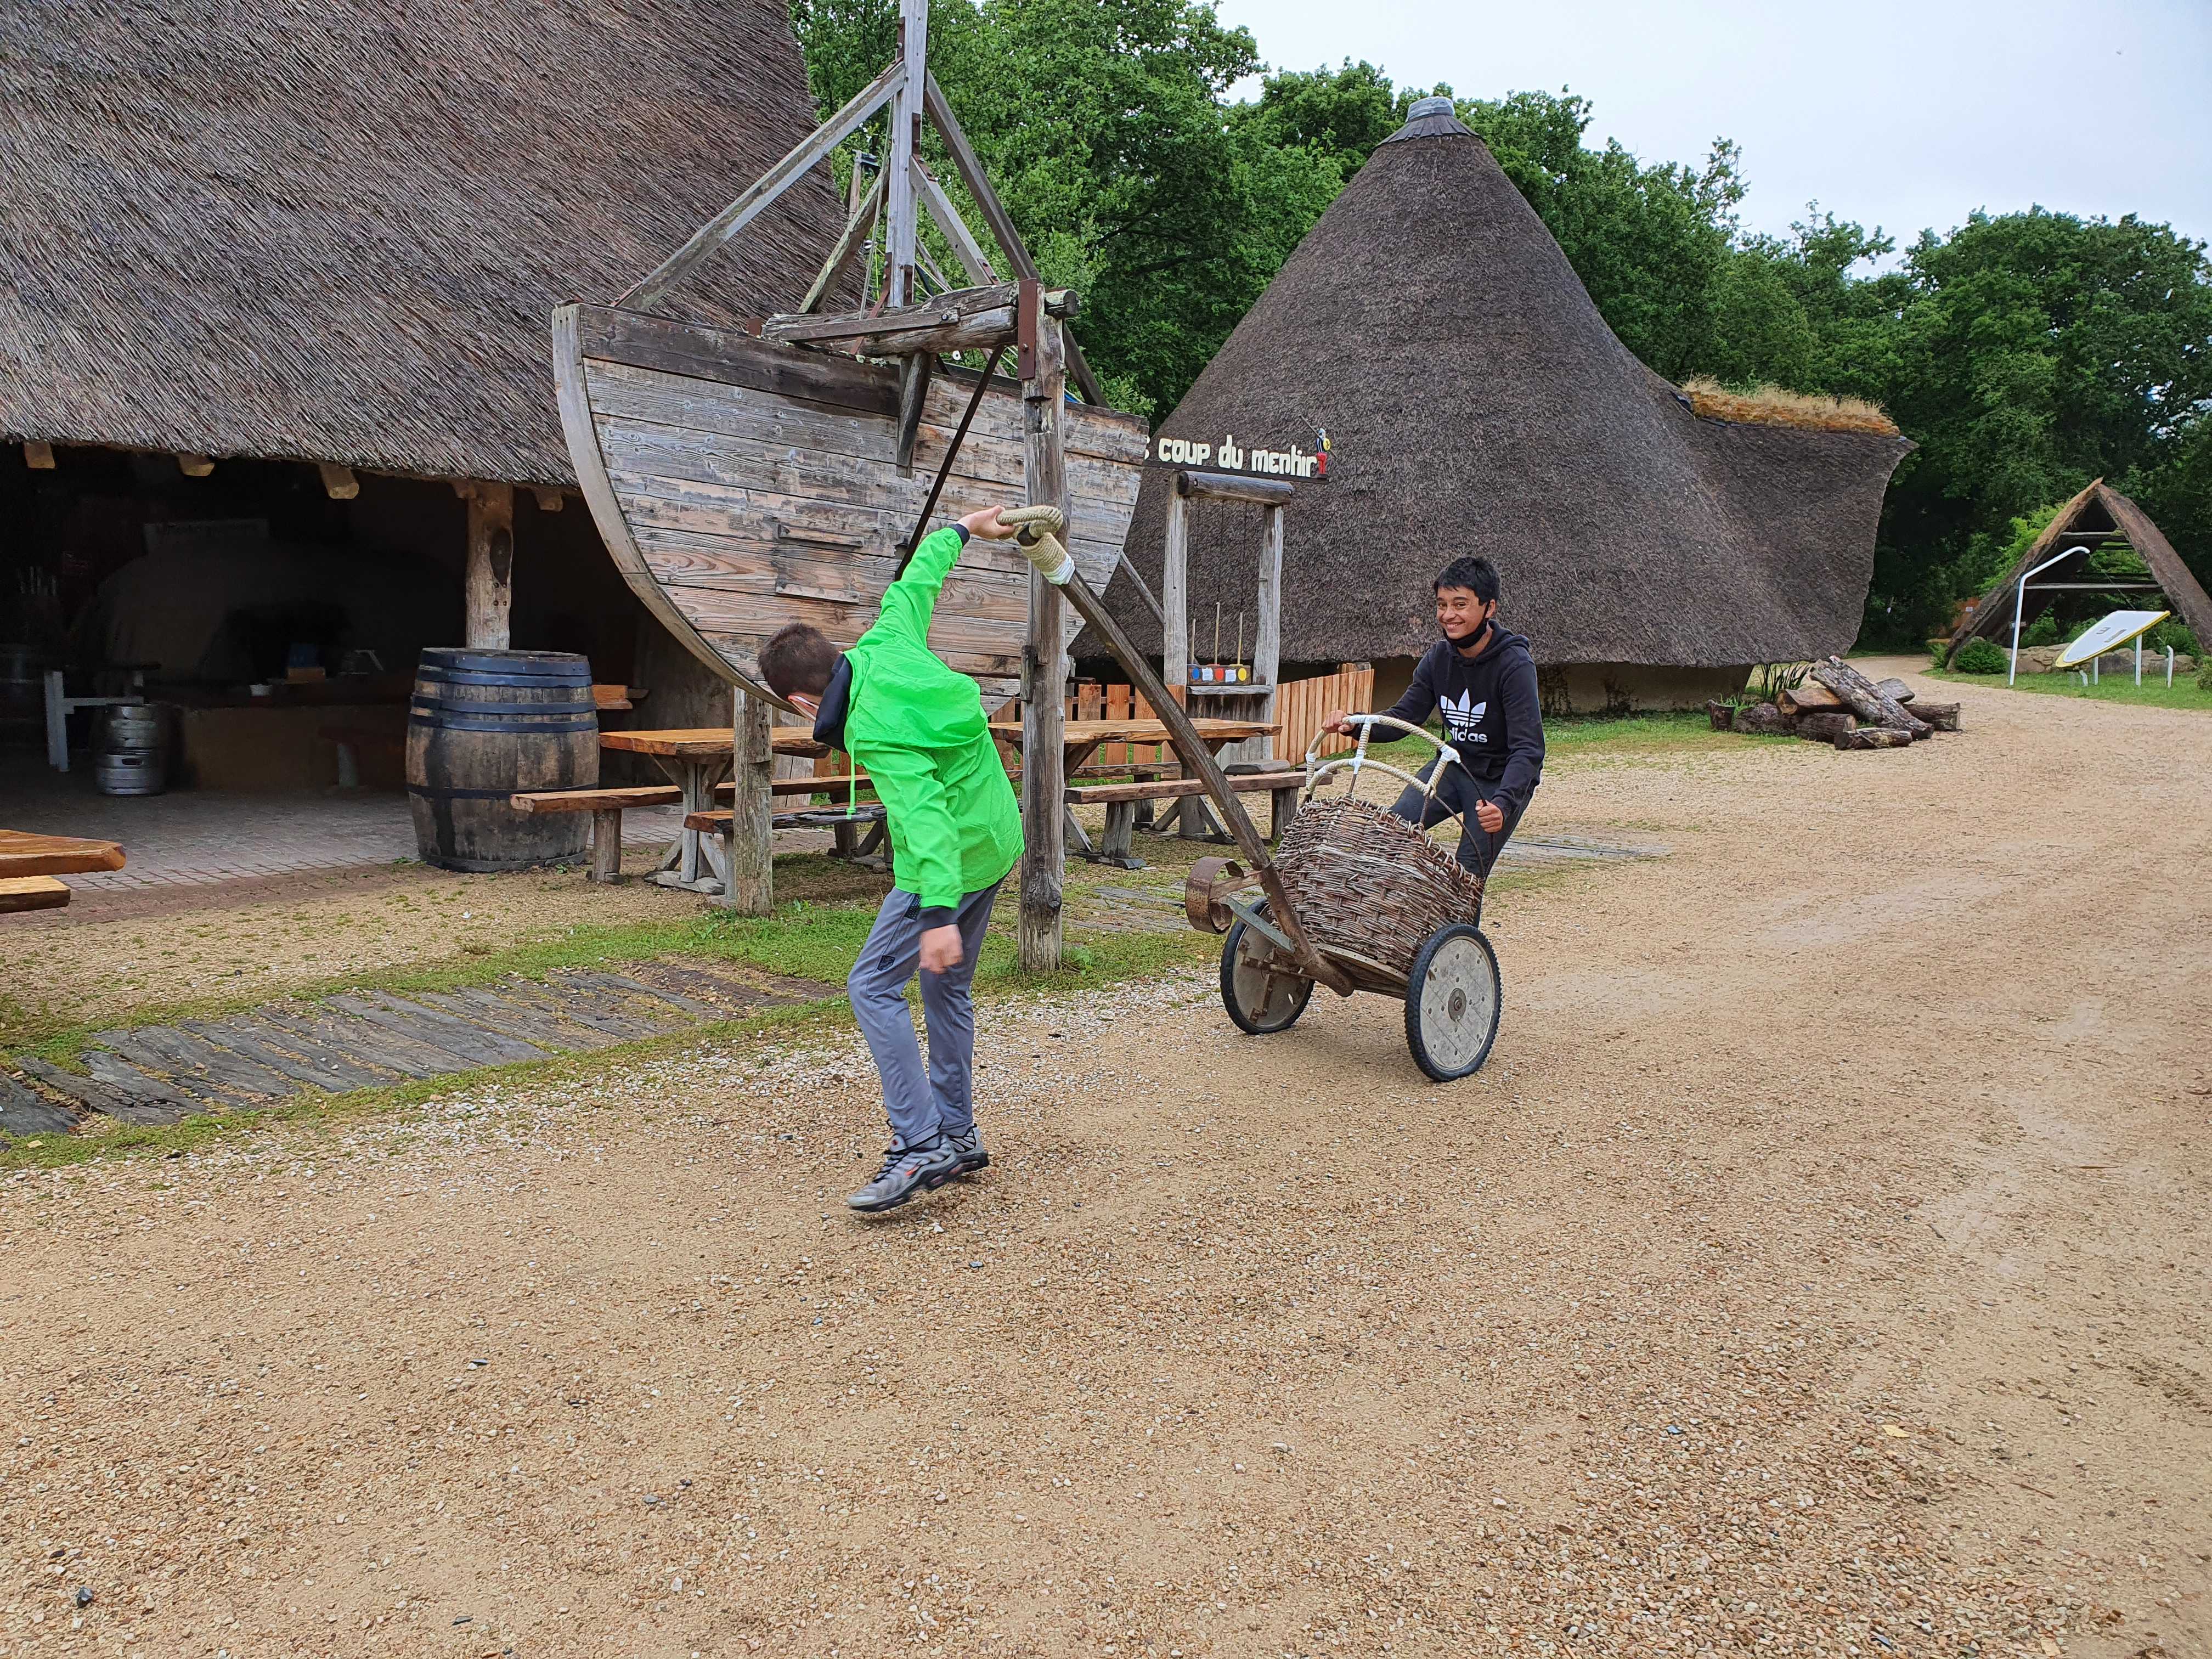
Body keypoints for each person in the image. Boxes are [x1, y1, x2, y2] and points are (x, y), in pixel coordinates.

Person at [757, 505, 1023, 1213]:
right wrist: (964, 528)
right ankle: (958, 1133)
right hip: (996, 836)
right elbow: (916, 583)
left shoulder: (872, 728)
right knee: (946, 990)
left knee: (873, 986)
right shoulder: (886, 639)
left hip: (951, 859)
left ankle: (921, 1144)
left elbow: (924, 817)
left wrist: (936, 915)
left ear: (800, 701)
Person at [1324, 555, 1544, 879]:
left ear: (1489, 608)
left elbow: (1529, 748)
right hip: (1454, 767)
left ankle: (1461, 917)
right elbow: (1404, 718)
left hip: (1499, 781)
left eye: (1460, 605)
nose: (1448, 615)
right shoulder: (1438, 658)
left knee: (1466, 875)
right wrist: (1354, 724)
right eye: (1442, 605)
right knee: (1391, 832)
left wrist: (1504, 803)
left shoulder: (1514, 664)